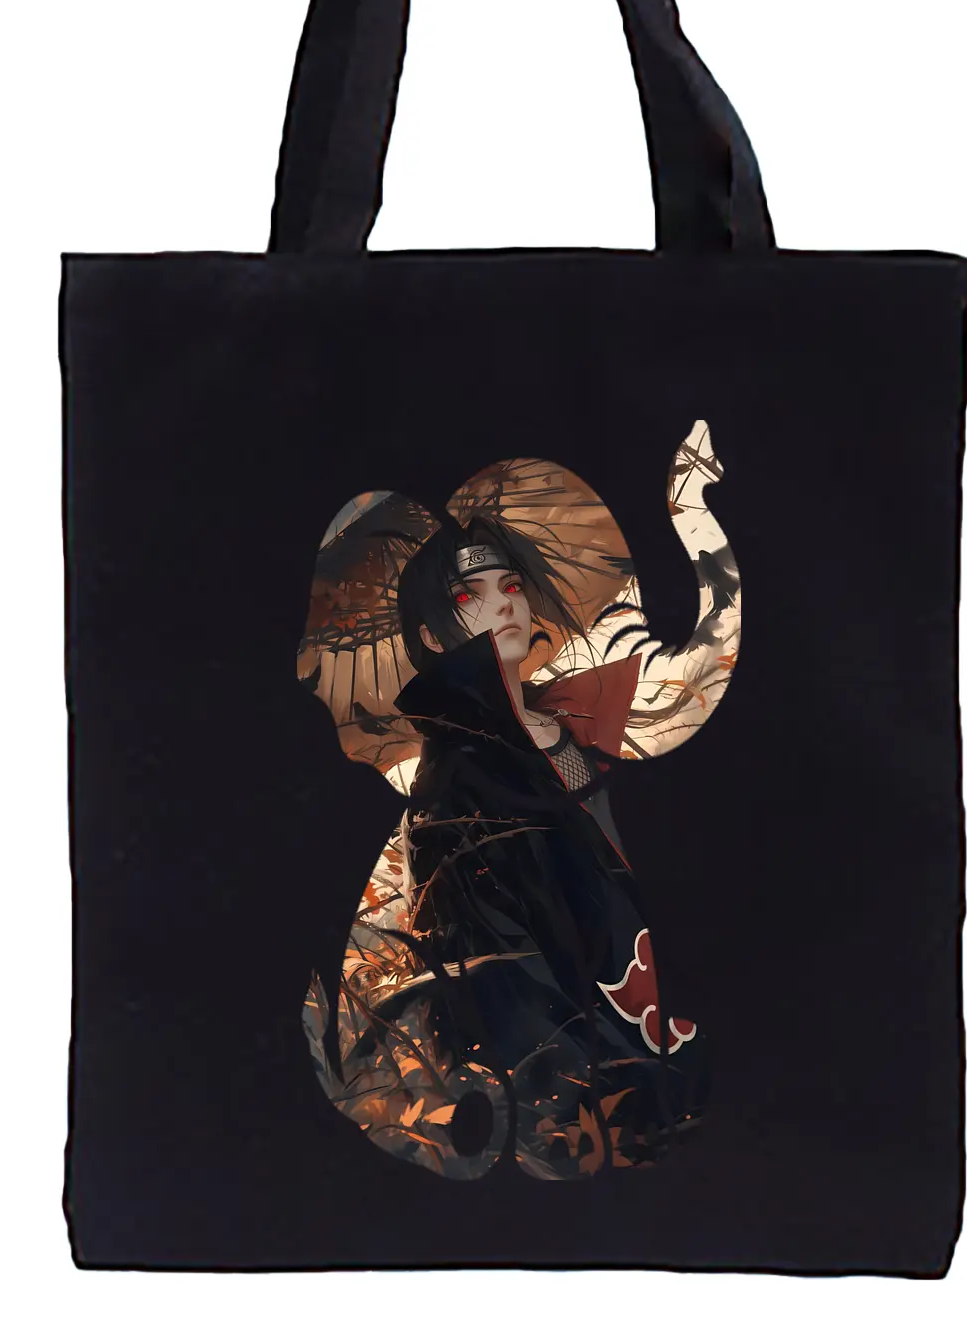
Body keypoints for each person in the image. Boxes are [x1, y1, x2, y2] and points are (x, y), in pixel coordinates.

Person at [302, 426, 738, 1180]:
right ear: (432, 633)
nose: (501, 604)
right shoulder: (454, 767)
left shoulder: (565, 719)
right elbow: (490, 944)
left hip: (624, 990)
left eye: (510, 586)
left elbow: (702, 665)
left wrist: (695, 522)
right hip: (536, 1042)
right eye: (469, 595)